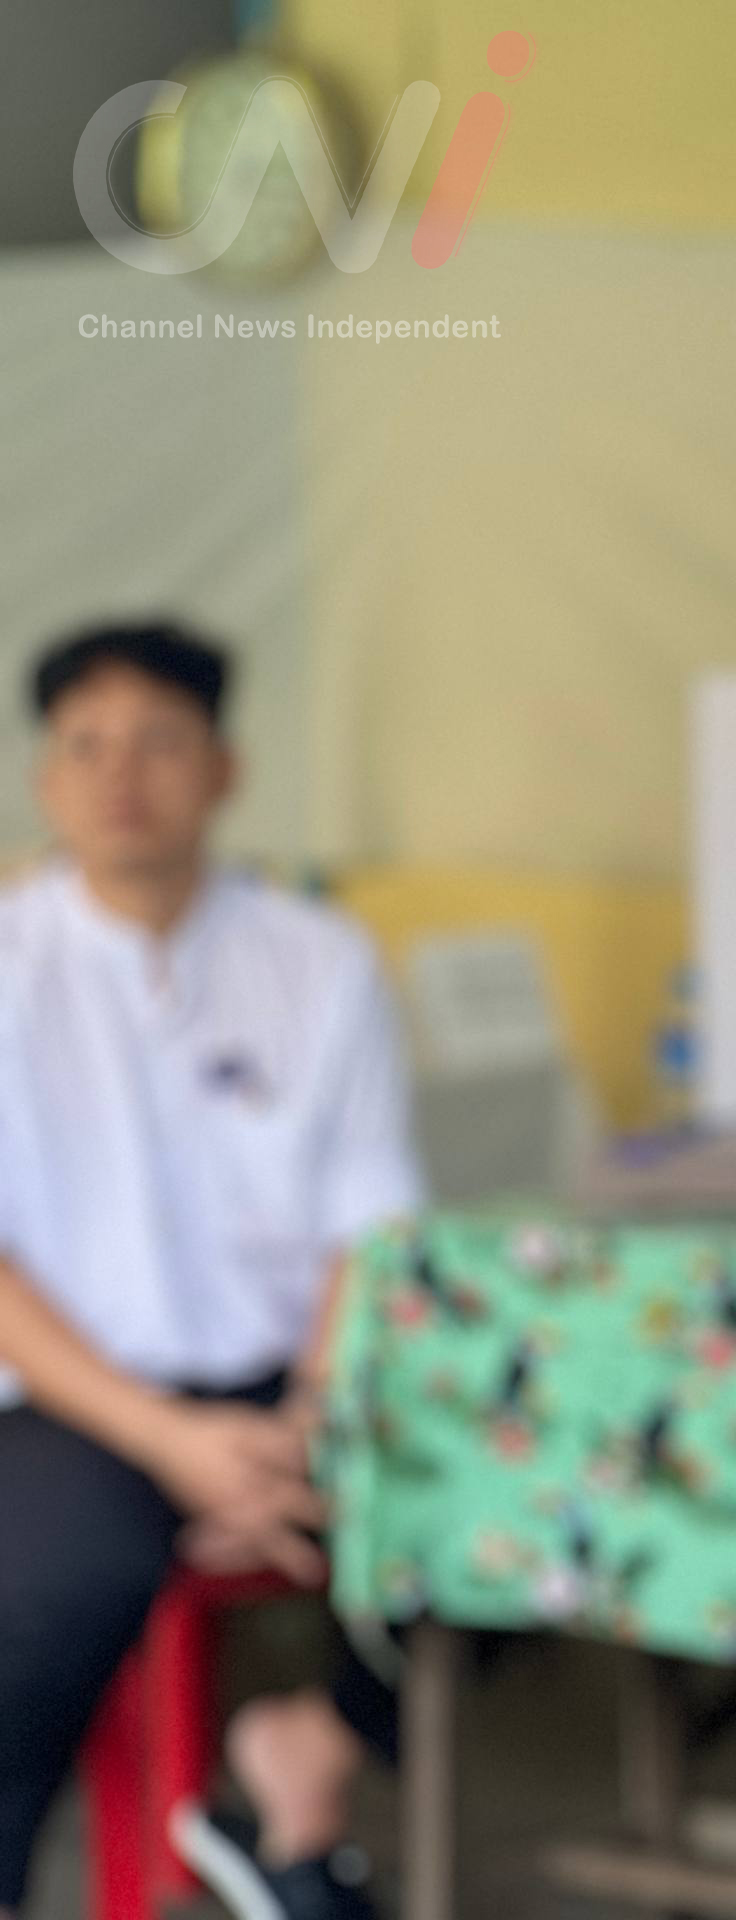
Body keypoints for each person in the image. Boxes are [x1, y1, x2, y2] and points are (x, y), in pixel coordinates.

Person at [0, 623, 421, 1920]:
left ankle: (304, 1775)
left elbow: (374, 1225)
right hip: (80, 1398)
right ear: (48, 781)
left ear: (225, 770)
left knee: (519, 1512)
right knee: (59, 1582)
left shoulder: (319, 960)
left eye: (161, 742)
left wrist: (300, 1421)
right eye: (88, 746)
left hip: (288, 1381)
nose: (123, 774)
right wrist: (172, 1443)